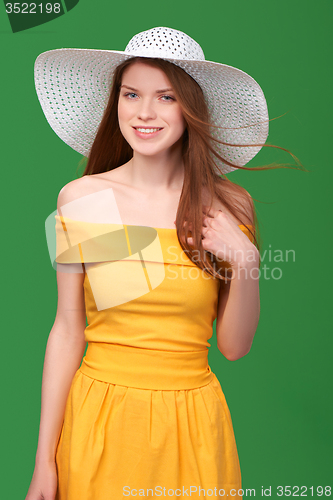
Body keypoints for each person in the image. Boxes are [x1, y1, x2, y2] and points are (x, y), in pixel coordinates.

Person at [26, 26, 289, 500]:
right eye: (131, 94)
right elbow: (68, 329)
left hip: (193, 424)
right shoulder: (87, 199)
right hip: (100, 419)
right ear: (116, 103)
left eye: (165, 97)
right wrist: (44, 460)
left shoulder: (228, 207)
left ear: (190, 110)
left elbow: (233, 347)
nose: (144, 112)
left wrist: (247, 262)